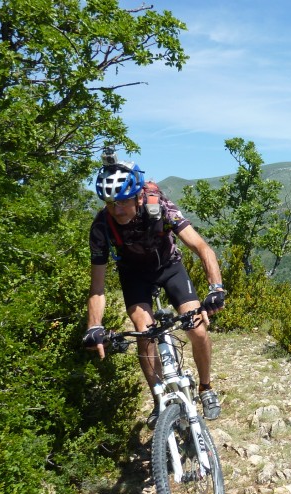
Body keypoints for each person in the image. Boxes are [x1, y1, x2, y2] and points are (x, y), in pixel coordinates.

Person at [82, 148, 225, 423]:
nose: (117, 210)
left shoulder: (159, 207)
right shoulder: (101, 226)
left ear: (137, 196)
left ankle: (206, 387)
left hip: (169, 267)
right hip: (133, 275)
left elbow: (202, 248)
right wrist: (94, 325)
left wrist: (215, 288)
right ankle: (159, 399)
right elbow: (97, 286)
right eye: (111, 203)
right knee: (144, 334)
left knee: (197, 329)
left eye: (123, 202)